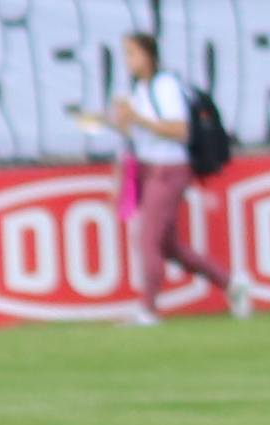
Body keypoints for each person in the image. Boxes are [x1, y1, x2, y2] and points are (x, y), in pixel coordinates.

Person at [91, 27, 224, 316]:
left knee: (148, 238)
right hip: (148, 167)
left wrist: (136, 117)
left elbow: (179, 130)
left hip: (168, 168)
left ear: (148, 55)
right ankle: (231, 283)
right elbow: (137, 137)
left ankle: (147, 309)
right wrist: (112, 122)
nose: (127, 60)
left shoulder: (166, 87)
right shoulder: (140, 90)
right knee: (169, 246)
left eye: (131, 53)